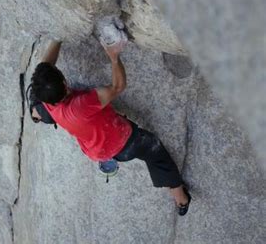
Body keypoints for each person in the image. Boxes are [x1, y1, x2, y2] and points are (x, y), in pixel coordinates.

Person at [30, 39, 192, 215]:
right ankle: (181, 199)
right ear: (64, 83)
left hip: (94, 149)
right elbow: (117, 87)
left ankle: (35, 114)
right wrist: (114, 57)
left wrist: (59, 36)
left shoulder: (46, 99)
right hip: (123, 144)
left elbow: (46, 66)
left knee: (39, 108)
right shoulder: (82, 105)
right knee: (155, 152)